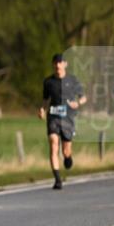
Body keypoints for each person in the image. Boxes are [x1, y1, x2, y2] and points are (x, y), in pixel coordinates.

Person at [39, 52, 87, 190]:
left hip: (68, 118)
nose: (57, 65)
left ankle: (68, 157)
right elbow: (45, 100)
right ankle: (58, 179)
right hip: (53, 117)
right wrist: (42, 109)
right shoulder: (48, 82)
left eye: (60, 62)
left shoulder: (72, 80)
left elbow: (83, 97)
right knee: (54, 143)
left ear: (65, 64)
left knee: (66, 151)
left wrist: (78, 103)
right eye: (55, 63)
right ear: (53, 65)